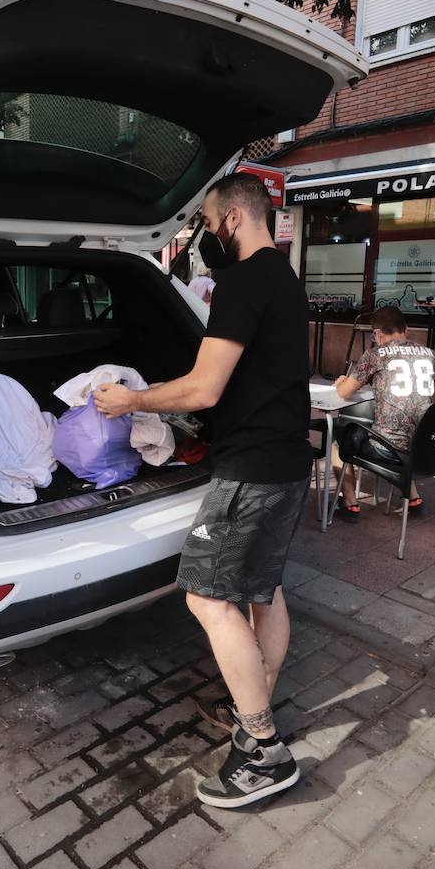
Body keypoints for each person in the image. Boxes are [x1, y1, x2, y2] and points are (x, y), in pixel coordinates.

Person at [94, 172, 309, 808]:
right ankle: (255, 700)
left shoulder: (243, 281)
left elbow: (205, 388)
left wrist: (132, 399)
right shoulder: (285, 278)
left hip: (249, 474)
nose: (204, 237)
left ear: (234, 220)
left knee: (207, 597)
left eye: (208, 224)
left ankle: (263, 749)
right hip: (288, 463)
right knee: (264, 590)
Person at [331, 306, 435, 522]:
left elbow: (344, 393)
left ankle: (350, 504)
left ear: (377, 333)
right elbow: (434, 402)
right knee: (406, 431)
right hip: (428, 448)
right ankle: (414, 499)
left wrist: (342, 382)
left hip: (390, 450)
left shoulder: (375, 354)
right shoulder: (431, 355)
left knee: (338, 441)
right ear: (405, 329)